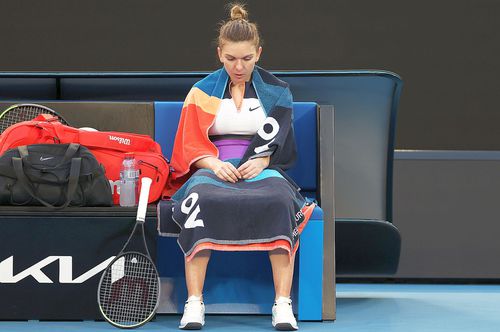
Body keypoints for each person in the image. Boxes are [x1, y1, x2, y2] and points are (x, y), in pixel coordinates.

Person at [164, 4, 315, 330]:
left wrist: (261, 160)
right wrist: (213, 163)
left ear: (258, 53)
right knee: (200, 201)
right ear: (220, 54)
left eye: (246, 58)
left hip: (262, 169)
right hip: (212, 167)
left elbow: (282, 145)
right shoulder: (201, 92)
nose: (239, 66)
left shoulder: (278, 92)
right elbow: (188, 144)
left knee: (278, 202)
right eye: (231, 58)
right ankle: (194, 302)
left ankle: (282, 303)